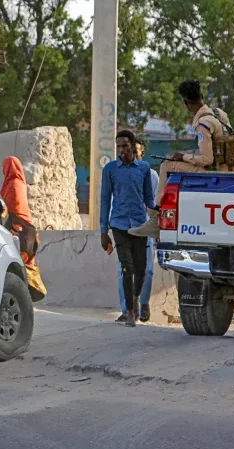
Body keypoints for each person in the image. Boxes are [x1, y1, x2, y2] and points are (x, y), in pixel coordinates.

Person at [128, 80, 231, 239]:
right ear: (201, 96)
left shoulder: (203, 123)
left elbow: (206, 159)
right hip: (228, 167)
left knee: (166, 166)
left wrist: (183, 157)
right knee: (175, 160)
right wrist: (185, 156)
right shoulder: (218, 114)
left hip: (213, 169)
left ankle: (155, 217)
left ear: (186, 104)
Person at [100, 130, 156, 327]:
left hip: (140, 225)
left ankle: (135, 297)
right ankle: (130, 311)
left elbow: (149, 198)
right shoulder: (110, 169)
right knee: (127, 268)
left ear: (133, 146)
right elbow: (105, 200)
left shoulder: (144, 169)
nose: (121, 150)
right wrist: (103, 231)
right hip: (119, 224)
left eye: (125, 146)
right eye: (119, 146)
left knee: (141, 270)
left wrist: (156, 221)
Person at [115, 139, 158, 323]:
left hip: (144, 227)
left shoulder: (152, 175)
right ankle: (127, 310)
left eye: (137, 151)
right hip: (123, 226)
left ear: (143, 153)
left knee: (147, 270)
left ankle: (144, 301)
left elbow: (154, 202)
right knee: (124, 270)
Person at [1, 156, 47, 301]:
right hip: (27, 231)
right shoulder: (20, 183)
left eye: (5, 166)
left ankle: (23, 299)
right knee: (24, 268)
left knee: (18, 269)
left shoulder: (13, 185)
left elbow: (12, 209)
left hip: (20, 232)